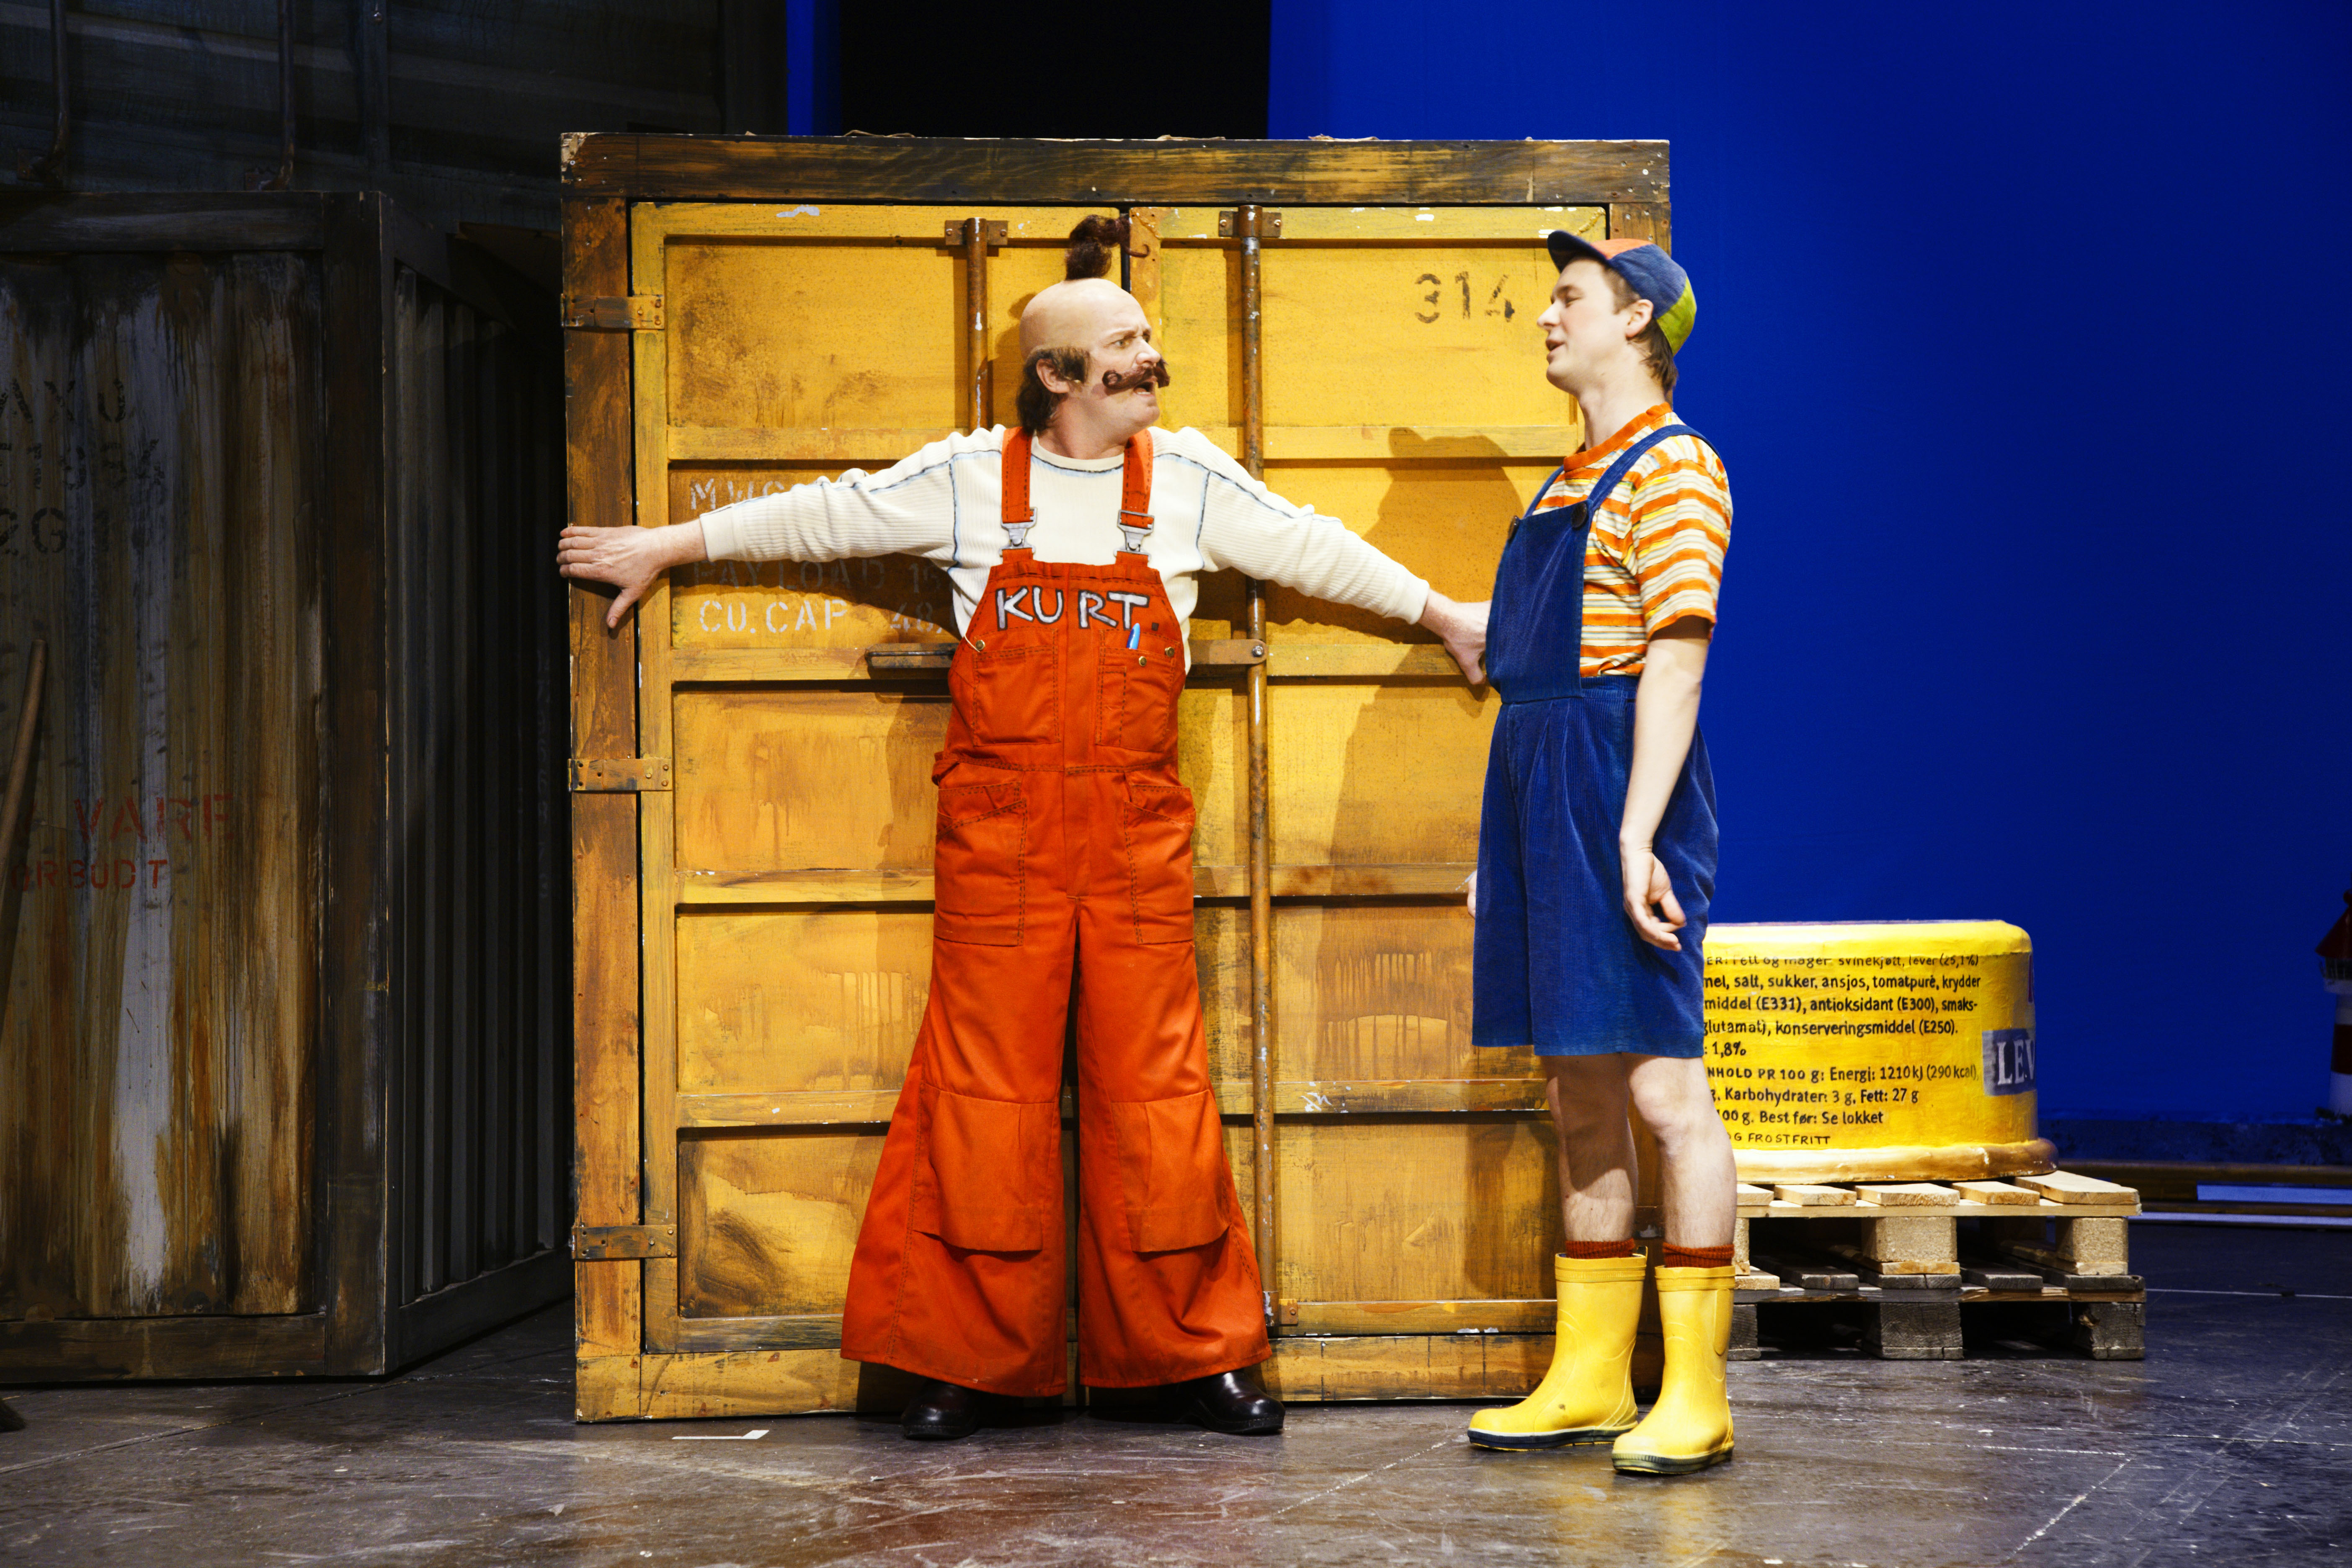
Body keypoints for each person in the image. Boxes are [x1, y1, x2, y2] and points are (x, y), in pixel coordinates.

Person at [557, 218, 1488, 1442]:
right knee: (983, 1092)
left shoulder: (1188, 480)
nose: (1152, 355)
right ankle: (966, 1360)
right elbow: (829, 516)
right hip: (1001, 842)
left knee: (1156, 1088)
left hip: (1135, 837)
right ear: (1058, 375)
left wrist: (1442, 614)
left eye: (1146, 336)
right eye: (1126, 343)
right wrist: (672, 546)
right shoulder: (967, 481)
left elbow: (1310, 546)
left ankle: (1184, 1357)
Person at [1463, 232, 1738, 1474]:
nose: (1546, 315)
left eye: (1569, 297)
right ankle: (1588, 1377)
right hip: (1540, 775)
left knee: (1662, 1091)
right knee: (1578, 1087)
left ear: (1637, 321)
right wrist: (1510, 843)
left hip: (1620, 777)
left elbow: (1674, 667)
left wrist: (1632, 837)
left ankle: (1696, 1392)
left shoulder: (1675, 467)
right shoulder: (1566, 481)